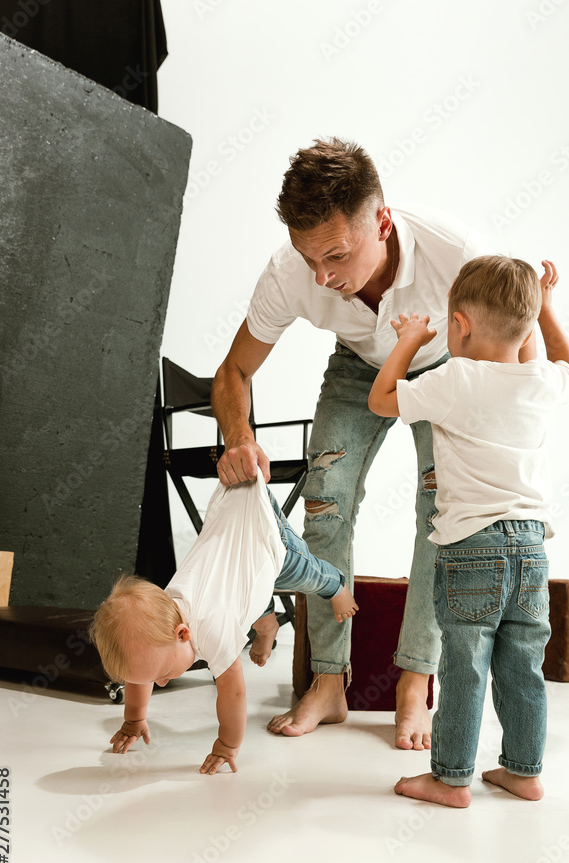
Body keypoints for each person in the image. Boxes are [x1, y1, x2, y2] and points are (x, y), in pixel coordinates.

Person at [211, 137, 494, 750]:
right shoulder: (292, 272)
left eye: (336, 256)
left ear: (382, 223)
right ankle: (329, 682)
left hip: (443, 365)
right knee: (326, 501)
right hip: (358, 366)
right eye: (307, 257)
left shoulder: (458, 255)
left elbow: (506, 350)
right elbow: (233, 370)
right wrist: (238, 438)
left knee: (441, 509)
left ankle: (414, 683)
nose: (322, 277)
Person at [367, 257, 569, 807]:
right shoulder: (539, 381)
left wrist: (409, 342)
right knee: (523, 666)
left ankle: (451, 778)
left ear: (458, 325)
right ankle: (524, 773)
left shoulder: (454, 379)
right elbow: (567, 364)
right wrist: (546, 310)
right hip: (532, 549)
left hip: (471, 548)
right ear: (527, 331)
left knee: (463, 666)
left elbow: (381, 400)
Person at [89, 471, 357, 775]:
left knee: (307, 574)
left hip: (264, 531)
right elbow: (142, 676)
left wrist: (227, 744)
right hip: (233, 528)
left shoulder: (213, 629)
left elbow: (234, 693)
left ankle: (337, 585)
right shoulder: (164, 612)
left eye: (162, 674)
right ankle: (266, 623)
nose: (161, 683)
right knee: (248, 594)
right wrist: (134, 720)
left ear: (183, 633)